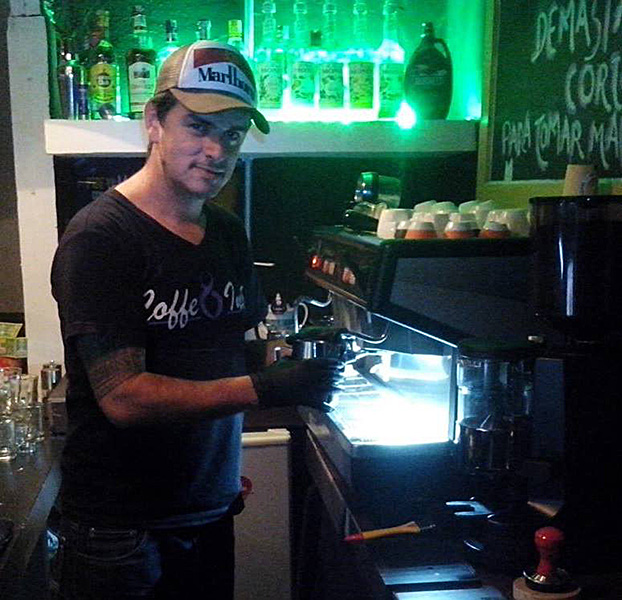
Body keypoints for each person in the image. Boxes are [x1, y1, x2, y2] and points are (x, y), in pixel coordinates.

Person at [50, 40, 341, 600]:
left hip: (208, 510)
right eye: (199, 126)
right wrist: (264, 387)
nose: (216, 150)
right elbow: (124, 397)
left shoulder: (226, 231)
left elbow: (224, 348)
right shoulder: (102, 237)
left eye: (232, 134)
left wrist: (301, 353)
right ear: (154, 122)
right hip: (122, 531)